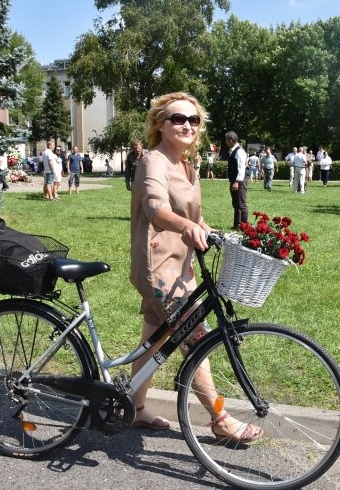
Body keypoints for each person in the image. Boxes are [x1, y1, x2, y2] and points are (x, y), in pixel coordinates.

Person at [130, 92, 261, 442]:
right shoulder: (154, 161)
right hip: (158, 265)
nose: (186, 125)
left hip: (181, 262)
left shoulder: (186, 163)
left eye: (193, 120)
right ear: (160, 124)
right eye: (177, 118)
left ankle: (134, 408)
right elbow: (156, 207)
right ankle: (219, 417)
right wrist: (187, 228)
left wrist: (210, 230)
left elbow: (193, 215)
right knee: (195, 337)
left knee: (153, 337)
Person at [226, 131, 248, 229]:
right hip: (234, 181)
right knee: (236, 203)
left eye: (226, 140)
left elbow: (241, 168)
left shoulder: (239, 151)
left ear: (231, 140)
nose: (225, 142)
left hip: (239, 181)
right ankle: (237, 224)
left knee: (241, 204)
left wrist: (236, 182)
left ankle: (244, 226)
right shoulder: (233, 150)